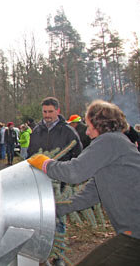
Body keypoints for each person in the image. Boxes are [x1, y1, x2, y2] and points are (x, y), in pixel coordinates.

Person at [28, 100, 140, 266]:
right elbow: (91, 194)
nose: (86, 132)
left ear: (100, 125)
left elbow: (74, 172)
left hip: (135, 234)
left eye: (88, 126)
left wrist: (45, 164)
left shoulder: (110, 141)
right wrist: (56, 209)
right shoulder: (116, 145)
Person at [27, 97, 82, 266]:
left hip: (60, 184)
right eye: (44, 112)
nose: (47, 115)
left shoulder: (68, 131)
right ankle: (39, 252)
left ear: (57, 111)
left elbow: (78, 155)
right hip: (40, 182)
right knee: (39, 219)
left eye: (50, 111)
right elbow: (30, 155)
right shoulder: (37, 131)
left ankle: (58, 256)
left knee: (58, 220)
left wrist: (68, 174)